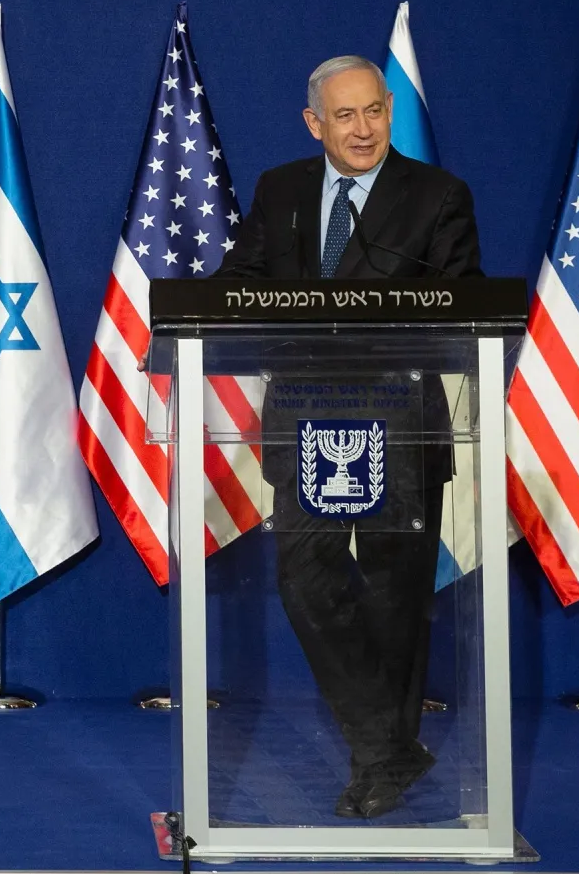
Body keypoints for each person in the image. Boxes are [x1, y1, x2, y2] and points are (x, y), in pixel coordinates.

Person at [219, 54, 482, 821]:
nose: (363, 128)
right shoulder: (280, 190)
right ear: (315, 123)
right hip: (307, 411)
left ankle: (378, 760)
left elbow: (466, 304)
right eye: (345, 115)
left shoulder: (438, 195)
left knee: (398, 594)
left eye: (373, 111)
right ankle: (388, 745)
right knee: (306, 580)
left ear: (390, 110)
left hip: (400, 416)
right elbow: (237, 285)